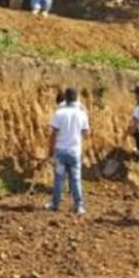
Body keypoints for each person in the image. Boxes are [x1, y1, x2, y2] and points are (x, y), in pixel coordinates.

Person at [46, 87, 89, 215]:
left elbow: (53, 134)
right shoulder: (82, 114)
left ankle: (55, 204)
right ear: (77, 98)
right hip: (75, 151)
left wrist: (50, 149)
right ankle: (79, 206)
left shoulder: (59, 113)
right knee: (76, 179)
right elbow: (86, 133)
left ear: (65, 97)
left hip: (61, 150)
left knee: (59, 179)